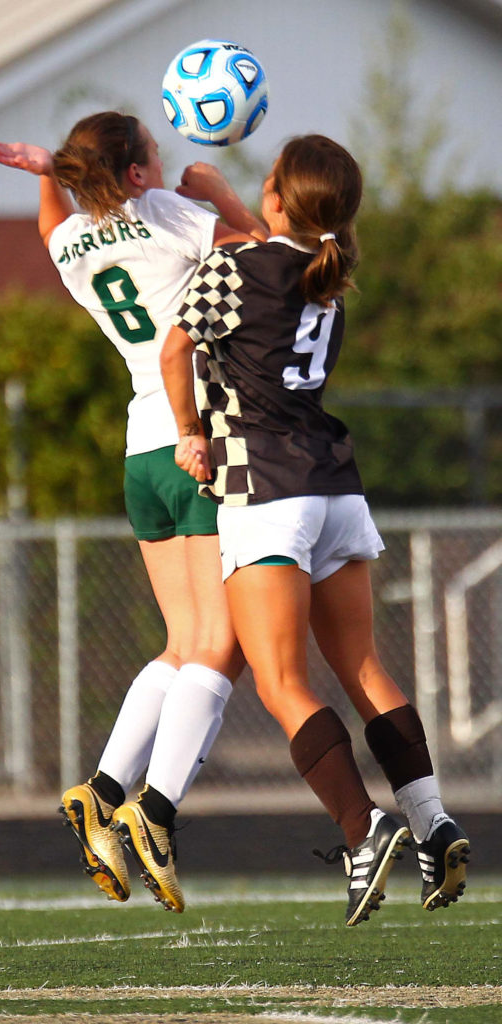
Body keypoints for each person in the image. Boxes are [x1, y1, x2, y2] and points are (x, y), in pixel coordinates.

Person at [160, 133, 470, 926]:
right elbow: (271, 250)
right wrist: (235, 202)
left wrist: (189, 431)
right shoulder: (327, 273)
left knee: (280, 682)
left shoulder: (236, 266)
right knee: (363, 665)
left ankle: (363, 831)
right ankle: (434, 821)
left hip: (265, 488)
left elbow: (176, 351)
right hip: (334, 486)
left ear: (277, 198)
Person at [0, 112, 268, 914]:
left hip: (140, 451)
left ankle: (103, 787)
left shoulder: (75, 242)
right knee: (222, 645)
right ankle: (155, 808)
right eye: (155, 147)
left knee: (185, 642)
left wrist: (49, 174)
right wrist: (217, 191)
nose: (166, 154)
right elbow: (262, 260)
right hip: (199, 438)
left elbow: (53, 223)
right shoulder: (167, 214)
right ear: (139, 173)